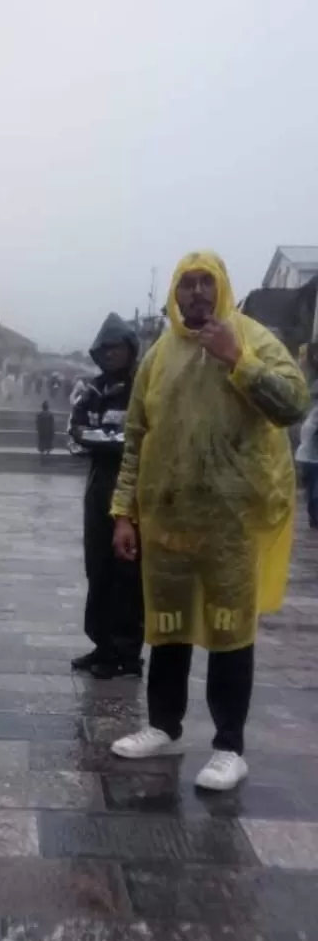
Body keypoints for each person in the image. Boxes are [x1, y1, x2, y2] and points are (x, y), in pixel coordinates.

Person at [110, 251, 309, 790]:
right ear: (174, 294)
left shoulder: (254, 338)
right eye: (186, 284)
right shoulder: (158, 356)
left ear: (221, 288)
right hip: (169, 520)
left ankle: (229, 746)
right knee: (167, 628)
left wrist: (237, 359)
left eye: (206, 283)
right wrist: (124, 512)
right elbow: (135, 438)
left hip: (232, 521)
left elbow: (294, 404)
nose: (196, 293)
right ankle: (164, 726)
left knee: (229, 632)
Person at [70, 314, 143, 679]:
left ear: (130, 349)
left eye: (117, 348)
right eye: (106, 349)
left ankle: (127, 653)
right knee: (97, 566)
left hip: (133, 488)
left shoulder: (143, 386)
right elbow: (77, 428)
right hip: (98, 486)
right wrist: (111, 439)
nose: (111, 354)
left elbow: (141, 437)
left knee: (126, 573)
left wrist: (106, 438)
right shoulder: (94, 389)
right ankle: (102, 644)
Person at [296, 376, 318, 528]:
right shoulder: (315, 412)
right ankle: (315, 518)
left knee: (312, 491)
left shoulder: (313, 412)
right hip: (311, 457)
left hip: (307, 456)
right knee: (314, 491)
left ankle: (314, 519)